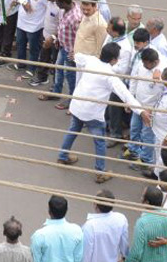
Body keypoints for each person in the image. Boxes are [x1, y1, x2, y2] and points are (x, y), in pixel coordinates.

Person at [58, 43, 142, 182]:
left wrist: (74, 55)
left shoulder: (91, 61)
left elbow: (78, 56)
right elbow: (126, 95)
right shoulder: (110, 76)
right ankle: (100, 172)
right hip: (92, 113)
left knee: (73, 130)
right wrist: (141, 111)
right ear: (114, 60)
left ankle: (62, 156)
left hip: (78, 106)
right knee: (100, 142)